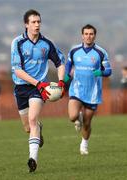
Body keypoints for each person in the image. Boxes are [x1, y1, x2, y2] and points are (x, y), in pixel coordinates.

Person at [11, 9, 65, 172]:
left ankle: (32, 159)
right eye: (33, 22)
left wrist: (61, 82)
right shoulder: (18, 43)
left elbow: (60, 64)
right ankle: (38, 129)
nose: (37, 25)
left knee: (33, 119)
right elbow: (17, 70)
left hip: (39, 88)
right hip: (21, 87)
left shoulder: (47, 44)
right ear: (26, 24)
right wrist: (38, 83)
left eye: (39, 22)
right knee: (28, 127)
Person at [65, 24, 112, 155]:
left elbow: (108, 70)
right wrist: (66, 78)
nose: (88, 36)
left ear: (94, 36)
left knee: (87, 123)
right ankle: (77, 117)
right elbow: (68, 65)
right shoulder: (74, 51)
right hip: (77, 90)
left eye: (91, 34)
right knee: (72, 116)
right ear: (82, 35)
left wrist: (100, 73)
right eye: (86, 34)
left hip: (93, 93)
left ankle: (84, 144)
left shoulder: (101, 52)